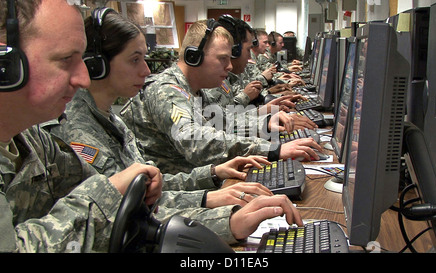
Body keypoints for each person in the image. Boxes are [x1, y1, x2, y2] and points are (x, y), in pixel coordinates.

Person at [42, 8, 298, 245]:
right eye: (135, 60)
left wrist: (213, 174)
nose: (145, 70)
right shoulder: (79, 131)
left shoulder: (112, 119)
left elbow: (148, 192)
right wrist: (220, 212)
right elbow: (124, 218)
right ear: (96, 66)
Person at [0, 0, 163, 253]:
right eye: (66, 59)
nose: (84, 78)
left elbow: (110, 193)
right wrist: (106, 194)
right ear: (4, 66)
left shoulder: (32, 140)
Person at [121, 19, 323, 175]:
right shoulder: (166, 90)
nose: (229, 66)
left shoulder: (196, 89)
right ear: (194, 57)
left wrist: (267, 121)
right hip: (174, 192)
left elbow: (223, 121)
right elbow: (196, 141)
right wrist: (273, 150)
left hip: (201, 177)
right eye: (222, 59)